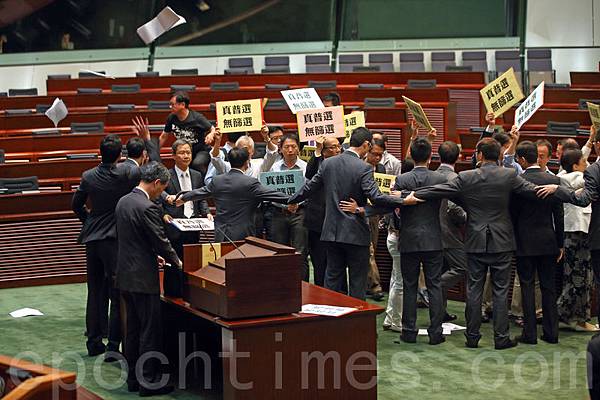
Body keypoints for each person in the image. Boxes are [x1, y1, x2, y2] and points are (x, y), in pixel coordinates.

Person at [411, 137, 552, 350]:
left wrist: (414, 195)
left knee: (474, 290)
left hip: (475, 240)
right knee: (500, 291)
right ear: (500, 156)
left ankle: (472, 337)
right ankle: (501, 338)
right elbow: (534, 190)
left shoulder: (466, 176)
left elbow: (440, 190)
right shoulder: (509, 175)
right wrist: (560, 190)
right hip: (502, 241)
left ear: (479, 155)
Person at [288, 127, 419, 300]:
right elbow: (376, 197)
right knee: (357, 283)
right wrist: (402, 201)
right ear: (365, 145)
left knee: (332, 280)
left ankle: (331, 322)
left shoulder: (328, 163)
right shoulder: (364, 168)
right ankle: (356, 324)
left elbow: (308, 189)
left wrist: (288, 199)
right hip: (355, 233)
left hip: (331, 233)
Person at [115, 162, 181, 396]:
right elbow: (160, 240)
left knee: (132, 330)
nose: (160, 193)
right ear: (156, 184)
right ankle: (149, 381)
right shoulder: (148, 207)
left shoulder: (123, 201)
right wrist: (177, 261)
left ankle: (133, 378)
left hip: (125, 275)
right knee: (149, 331)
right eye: (161, 188)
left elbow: (134, 238)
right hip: (143, 278)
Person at [72, 134, 137, 358]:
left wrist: (89, 221)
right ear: (120, 155)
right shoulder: (126, 174)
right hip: (114, 240)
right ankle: (113, 345)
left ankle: (93, 342)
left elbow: (76, 204)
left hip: (92, 240)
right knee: (117, 292)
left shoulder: (88, 176)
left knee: (95, 291)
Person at [382, 138, 447, 345]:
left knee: (409, 286)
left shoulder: (402, 180)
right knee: (434, 286)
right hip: (433, 239)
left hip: (408, 239)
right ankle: (435, 333)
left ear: (411, 155)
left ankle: (408, 331)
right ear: (430, 156)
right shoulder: (439, 178)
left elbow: (397, 211)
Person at [510, 141, 563, 344]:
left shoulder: (517, 181)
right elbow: (558, 217)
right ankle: (551, 334)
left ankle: (529, 334)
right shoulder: (553, 179)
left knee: (527, 286)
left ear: (522, 159)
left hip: (524, 242)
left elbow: (513, 215)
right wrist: (560, 244)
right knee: (549, 288)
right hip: (548, 241)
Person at [176, 148, 290, 242]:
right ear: (247, 162)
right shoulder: (251, 183)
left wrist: (183, 198)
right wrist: (294, 199)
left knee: (223, 266)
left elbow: (200, 192)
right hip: (243, 235)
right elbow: (274, 195)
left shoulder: (217, 180)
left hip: (220, 234)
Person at [556, 149, 598, 332]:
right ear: (575, 166)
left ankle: (566, 315)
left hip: (574, 233)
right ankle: (578, 318)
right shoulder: (572, 178)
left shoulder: (563, 175)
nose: (586, 163)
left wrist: (589, 144)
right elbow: (594, 175)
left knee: (575, 276)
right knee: (581, 278)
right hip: (578, 233)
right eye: (583, 161)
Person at [267, 133, 309, 281]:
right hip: (279, 212)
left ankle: (303, 285)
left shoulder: (305, 167)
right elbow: (270, 192)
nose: (290, 150)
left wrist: (297, 203)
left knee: (300, 252)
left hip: (300, 213)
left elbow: (309, 191)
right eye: (286, 147)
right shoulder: (274, 168)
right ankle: (280, 284)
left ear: (298, 149)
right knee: (279, 251)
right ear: (280, 149)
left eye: (293, 146)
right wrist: (286, 204)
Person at [143, 91, 215, 176]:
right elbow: (163, 136)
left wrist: (210, 135)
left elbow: (212, 129)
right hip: (183, 150)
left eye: (173, 104)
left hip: (201, 150)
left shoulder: (197, 118)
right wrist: (154, 152)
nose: (170, 107)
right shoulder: (171, 118)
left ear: (182, 105)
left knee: (197, 163)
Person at [162, 139, 212, 258]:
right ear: (173, 155)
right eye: (182, 153)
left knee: (193, 263)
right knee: (175, 267)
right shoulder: (166, 176)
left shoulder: (197, 175)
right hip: (174, 227)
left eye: (188, 153)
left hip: (193, 227)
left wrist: (207, 213)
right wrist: (163, 214)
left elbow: (201, 198)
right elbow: (158, 197)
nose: (186, 156)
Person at [436, 141, 467, 323]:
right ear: (458, 158)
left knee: (442, 269)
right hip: (450, 232)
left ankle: (440, 313)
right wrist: (465, 217)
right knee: (462, 267)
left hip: (434, 231)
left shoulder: (433, 174)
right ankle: (434, 287)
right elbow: (454, 208)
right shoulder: (455, 178)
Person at [304, 136, 342, 287]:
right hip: (317, 220)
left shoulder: (344, 163)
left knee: (337, 263)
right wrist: (318, 150)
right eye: (332, 147)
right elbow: (310, 173)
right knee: (319, 262)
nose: (337, 150)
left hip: (338, 221)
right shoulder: (318, 163)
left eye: (338, 146)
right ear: (325, 151)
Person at [205, 125, 276, 184]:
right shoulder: (229, 167)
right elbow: (216, 159)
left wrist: (266, 138)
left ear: (252, 151)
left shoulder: (259, 165)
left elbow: (272, 154)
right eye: (240, 148)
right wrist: (217, 141)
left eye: (246, 149)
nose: (244, 152)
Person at [365, 138, 387, 300]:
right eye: (374, 154)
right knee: (368, 250)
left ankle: (368, 282)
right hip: (362, 211)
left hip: (376, 213)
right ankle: (375, 286)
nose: (377, 158)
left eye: (380, 155)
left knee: (373, 248)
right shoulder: (360, 167)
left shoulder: (381, 168)